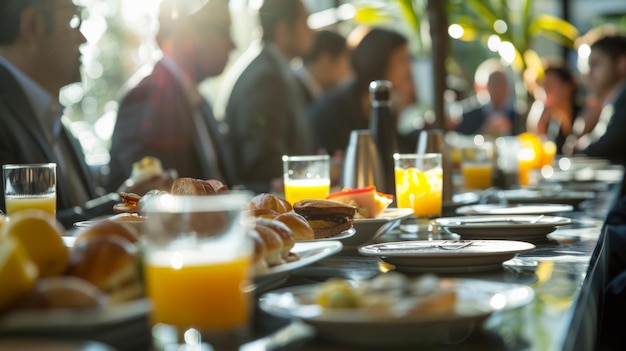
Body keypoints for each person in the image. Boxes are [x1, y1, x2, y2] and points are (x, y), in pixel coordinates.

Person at [0, 0, 159, 228]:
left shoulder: (57, 126)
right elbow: (18, 233)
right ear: (32, 25)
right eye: (72, 21)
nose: (83, 39)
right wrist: (120, 203)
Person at [106, 0, 236, 192]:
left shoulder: (200, 103)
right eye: (223, 31)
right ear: (185, 32)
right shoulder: (145, 98)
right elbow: (143, 198)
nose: (233, 44)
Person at [215, 0, 314, 193]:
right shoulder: (266, 78)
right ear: (284, 30)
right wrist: (309, 173)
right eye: (305, 23)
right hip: (268, 210)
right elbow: (262, 162)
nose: (312, 32)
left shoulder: (271, 69)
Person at [308, 26, 417, 156]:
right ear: (378, 62)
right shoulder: (333, 115)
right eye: (402, 60)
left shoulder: (379, 104)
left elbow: (396, 146)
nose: (409, 69)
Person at [578, 34, 626, 164]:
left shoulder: (623, 101)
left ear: (622, 63)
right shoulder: (612, 101)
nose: (588, 73)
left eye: (596, 64)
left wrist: (578, 141)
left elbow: (602, 149)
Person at [526, 62, 582, 154]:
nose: (544, 93)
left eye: (549, 85)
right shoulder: (555, 125)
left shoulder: (587, 113)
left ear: (568, 86)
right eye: (543, 87)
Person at [456, 58, 519, 136]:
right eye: (495, 84)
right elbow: (461, 140)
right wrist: (485, 131)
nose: (499, 89)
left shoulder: (517, 115)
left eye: (503, 84)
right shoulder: (469, 113)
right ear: (487, 86)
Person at [293, 29, 351, 107]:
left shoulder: (313, 92)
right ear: (326, 61)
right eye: (346, 63)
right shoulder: (294, 92)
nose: (348, 71)